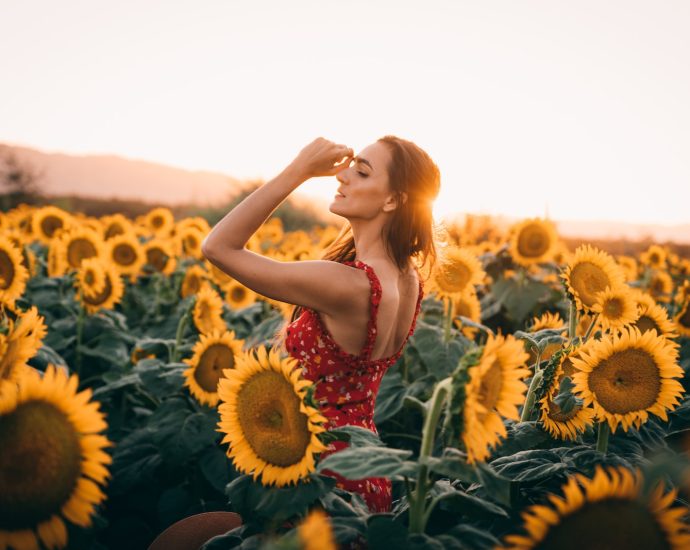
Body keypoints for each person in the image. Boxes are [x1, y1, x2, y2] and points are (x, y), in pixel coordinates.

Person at [201, 136, 440, 513]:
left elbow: (218, 247)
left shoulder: (347, 284)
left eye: (361, 171)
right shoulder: (408, 279)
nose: (343, 176)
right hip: (364, 469)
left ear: (393, 200)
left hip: (315, 475)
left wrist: (299, 170)